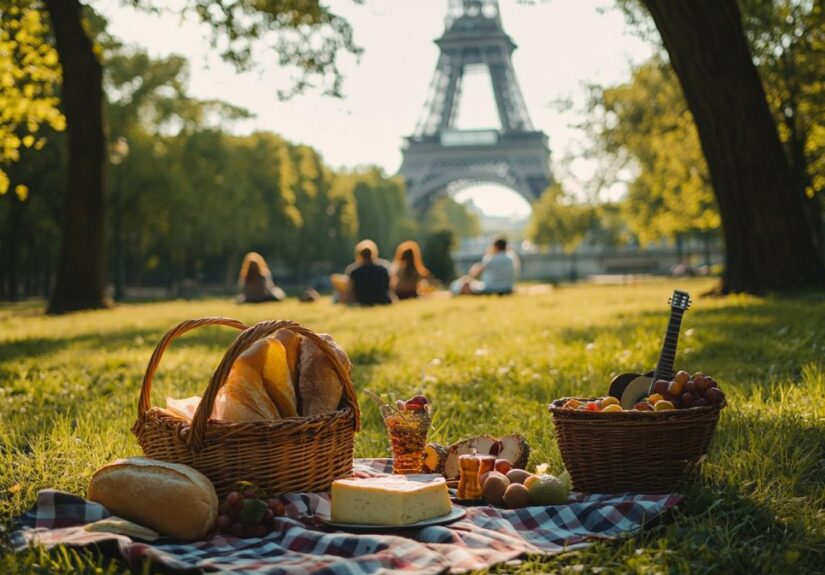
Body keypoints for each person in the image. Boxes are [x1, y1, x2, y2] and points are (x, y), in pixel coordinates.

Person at [451, 236, 520, 296]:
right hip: (507, 289)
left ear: (495, 247)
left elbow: (475, 271)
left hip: (490, 289)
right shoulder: (511, 259)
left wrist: (467, 279)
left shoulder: (491, 259)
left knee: (463, 284)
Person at [344, 239, 393, 306]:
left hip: (362, 301)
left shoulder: (354, 271)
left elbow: (350, 291)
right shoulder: (383, 269)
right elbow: (388, 287)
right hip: (383, 300)